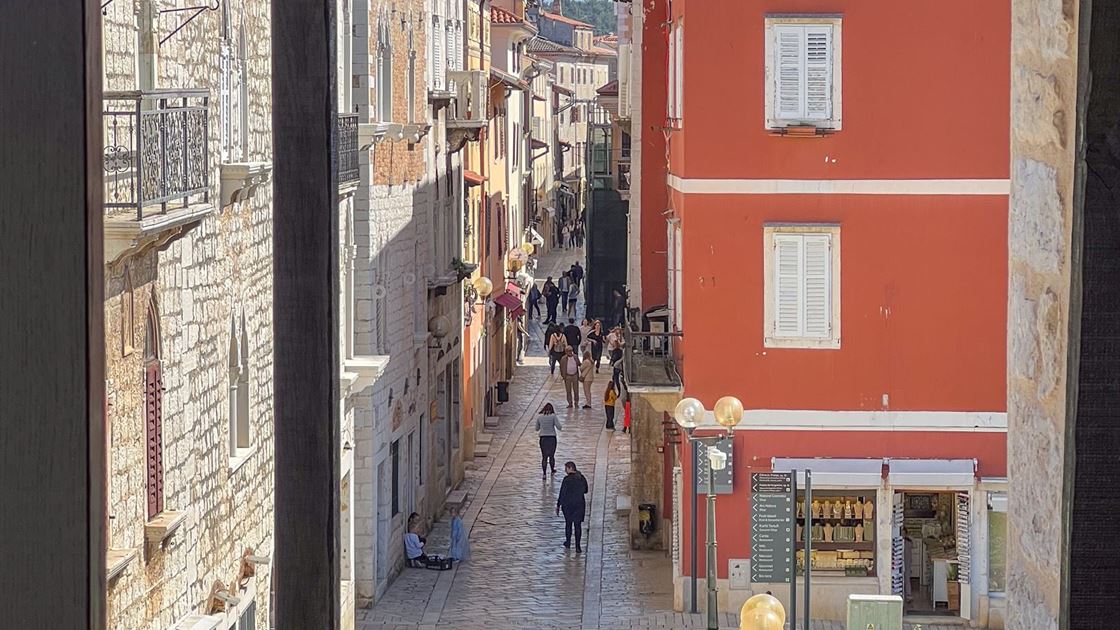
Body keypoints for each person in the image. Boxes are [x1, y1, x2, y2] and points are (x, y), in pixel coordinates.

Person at [556, 461, 589, 553]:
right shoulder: (581, 477)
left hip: (568, 505)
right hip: (579, 504)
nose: (565, 470)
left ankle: (568, 542)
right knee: (578, 525)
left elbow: (562, 493)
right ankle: (578, 546)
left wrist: (558, 505)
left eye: (566, 468)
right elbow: (586, 490)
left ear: (570, 468)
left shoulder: (567, 479)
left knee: (568, 524)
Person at [535, 403, 563, 478]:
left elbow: (536, 429)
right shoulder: (553, 416)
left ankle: (544, 474)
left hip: (543, 438)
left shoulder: (540, 417)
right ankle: (552, 469)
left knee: (544, 456)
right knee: (551, 455)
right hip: (552, 438)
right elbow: (559, 427)